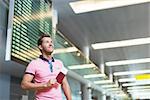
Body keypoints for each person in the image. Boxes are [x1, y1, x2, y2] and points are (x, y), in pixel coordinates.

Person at [21, 34, 72, 100]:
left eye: (51, 42)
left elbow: (64, 84)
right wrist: (45, 85)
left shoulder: (59, 63)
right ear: (40, 47)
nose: (50, 44)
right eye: (47, 42)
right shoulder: (34, 63)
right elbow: (24, 85)